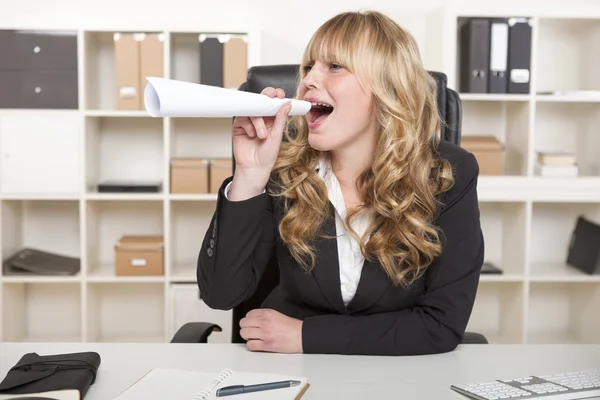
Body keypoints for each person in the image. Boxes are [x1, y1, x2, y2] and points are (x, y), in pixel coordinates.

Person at [196, 9, 484, 356]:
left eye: (334, 66)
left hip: (399, 377)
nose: (308, 80)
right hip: (288, 376)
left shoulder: (448, 173)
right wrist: (249, 176)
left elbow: (440, 326)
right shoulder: (281, 169)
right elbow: (220, 295)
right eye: (308, 67)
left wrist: (307, 336)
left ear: (387, 86)